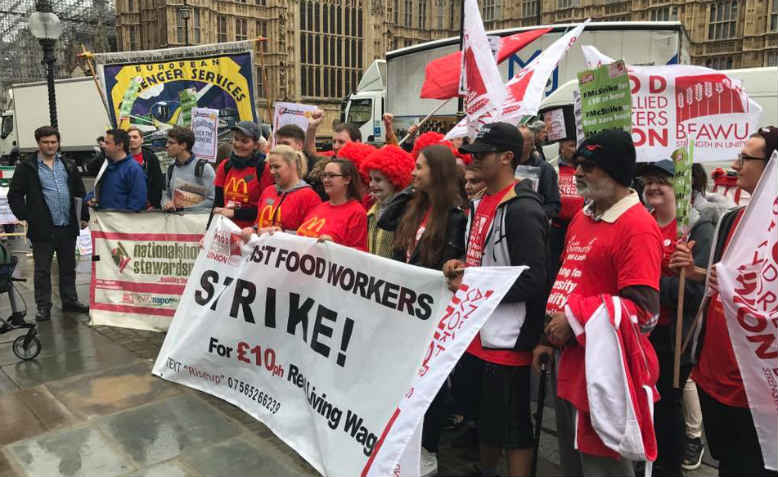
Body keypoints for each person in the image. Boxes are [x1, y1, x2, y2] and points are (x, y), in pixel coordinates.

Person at [533, 129, 663, 477]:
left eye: (590, 166)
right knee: (573, 463)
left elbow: (646, 314)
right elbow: (569, 278)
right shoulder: (583, 216)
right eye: (578, 164)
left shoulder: (637, 227)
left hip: (604, 371)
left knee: (602, 467)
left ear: (616, 172)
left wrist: (574, 317)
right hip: (569, 358)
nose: (578, 173)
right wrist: (548, 338)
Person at [671, 126, 778, 477]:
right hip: (713, 374)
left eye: (746, 158)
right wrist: (698, 272)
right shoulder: (731, 218)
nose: (735, 164)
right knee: (729, 464)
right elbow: (722, 284)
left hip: (757, 386)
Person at [443, 122, 548, 477]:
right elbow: (480, 259)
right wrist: (459, 265)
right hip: (476, 332)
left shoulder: (522, 209)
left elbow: (533, 280)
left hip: (507, 338)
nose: (472, 160)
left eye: (481, 154)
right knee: (485, 417)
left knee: (515, 424)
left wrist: (472, 284)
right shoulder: (481, 203)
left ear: (506, 158)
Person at [636, 158, 729, 477]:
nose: (652, 187)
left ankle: (668, 467)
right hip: (640, 332)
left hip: (676, 337)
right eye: (647, 181)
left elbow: (696, 293)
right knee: (644, 405)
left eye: (660, 180)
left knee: (666, 407)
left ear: (681, 186)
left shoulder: (697, 227)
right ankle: (648, 460)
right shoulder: (641, 222)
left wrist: (645, 285)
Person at [380, 144, 466, 476]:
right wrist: (410, 190)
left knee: (431, 383)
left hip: (432, 312)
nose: (413, 173)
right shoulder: (415, 208)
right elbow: (387, 219)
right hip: (405, 309)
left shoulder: (456, 217)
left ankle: (428, 446)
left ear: (438, 173)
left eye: (420, 168)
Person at [8, 126, 89, 321]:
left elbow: (79, 192)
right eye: (46, 142)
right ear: (38, 143)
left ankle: (70, 300)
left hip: (67, 225)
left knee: (68, 266)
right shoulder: (27, 167)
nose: (50, 145)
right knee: (42, 270)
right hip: (43, 228)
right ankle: (43, 306)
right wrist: (26, 215)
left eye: (53, 142)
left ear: (58, 142)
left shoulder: (68, 164)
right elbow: (15, 194)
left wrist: (83, 215)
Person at [240, 144, 321, 240]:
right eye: (270, 167)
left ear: (293, 165)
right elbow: (259, 224)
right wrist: (253, 230)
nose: (272, 172)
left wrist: (281, 233)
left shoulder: (309, 196)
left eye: (277, 167)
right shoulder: (268, 191)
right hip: (263, 251)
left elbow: (312, 236)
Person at [212, 121, 274, 229]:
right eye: (236, 139)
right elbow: (218, 203)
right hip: (225, 232)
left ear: (255, 145)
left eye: (245, 141)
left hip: (251, 235)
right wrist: (208, 232)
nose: (238, 144)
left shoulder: (263, 169)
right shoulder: (225, 166)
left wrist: (235, 213)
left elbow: (266, 209)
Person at [296, 158, 367, 250]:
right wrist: (281, 234)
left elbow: (359, 253)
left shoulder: (357, 212)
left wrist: (333, 245)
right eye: (324, 176)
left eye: (331, 176)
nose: (326, 180)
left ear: (347, 179)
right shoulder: (319, 207)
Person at [359, 145, 414, 258]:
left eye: (378, 180)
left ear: (394, 180)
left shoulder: (405, 212)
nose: (371, 184)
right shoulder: (371, 212)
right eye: (370, 179)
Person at [87, 128, 147, 212]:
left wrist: (125, 221)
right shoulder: (106, 165)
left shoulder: (133, 169)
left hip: (122, 223)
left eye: (107, 143)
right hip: (105, 221)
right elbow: (97, 189)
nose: (104, 146)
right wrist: (90, 198)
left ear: (119, 145)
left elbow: (137, 202)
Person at [550, 138, 584, 277]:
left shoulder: (582, 169)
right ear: (561, 147)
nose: (574, 149)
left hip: (578, 228)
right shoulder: (552, 168)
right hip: (557, 229)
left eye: (575, 146)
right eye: (570, 146)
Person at [162, 126, 215, 212]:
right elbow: (166, 194)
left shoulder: (204, 168)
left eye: (171, 143)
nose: (166, 145)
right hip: (176, 222)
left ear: (183, 145)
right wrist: (167, 203)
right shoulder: (171, 168)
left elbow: (213, 200)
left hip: (199, 223)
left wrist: (184, 208)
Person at [517, 126, 561, 220]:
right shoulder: (505, 166)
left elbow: (553, 206)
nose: (515, 144)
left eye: (520, 140)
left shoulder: (545, 169)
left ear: (532, 144)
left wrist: (532, 215)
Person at [127, 126, 164, 209]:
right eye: (129, 137)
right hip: (127, 207)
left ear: (142, 140)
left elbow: (157, 183)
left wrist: (154, 204)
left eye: (135, 137)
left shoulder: (151, 158)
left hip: (148, 207)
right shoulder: (122, 158)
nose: (131, 140)